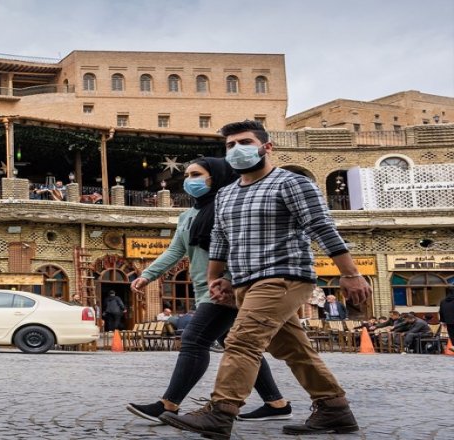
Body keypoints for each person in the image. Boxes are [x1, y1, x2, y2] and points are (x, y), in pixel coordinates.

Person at [161, 120, 371, 438]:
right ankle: (334, 410)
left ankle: (221, 412)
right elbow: (220, 240)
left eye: (244, 142)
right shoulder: (228, 194)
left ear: (266, 147)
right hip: (246, 282)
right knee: (294, 349)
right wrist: (217, 278)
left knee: (242, 341)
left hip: (285, 276)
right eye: (230, 145)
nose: (236, 150)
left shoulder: (290, 183)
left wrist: (351, 274)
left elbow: (322, 227)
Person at [128, 157, 291, 425]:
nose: (189, 180)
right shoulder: (187, 216)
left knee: (194, 340)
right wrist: (147, 275)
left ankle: (169, 404)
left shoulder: (229, 207)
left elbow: (240, 248)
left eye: (197, 174)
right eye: (188, 175)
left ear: (215, 176)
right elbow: (176, 251)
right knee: (239, 345)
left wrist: (227, 279)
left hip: (228, 289)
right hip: (205, 289)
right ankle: (276, 403)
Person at [439, 287, 454, 353]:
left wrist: (443, 321)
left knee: (452, 334)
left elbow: (441, 311)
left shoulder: (443, 301)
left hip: (448, 321)